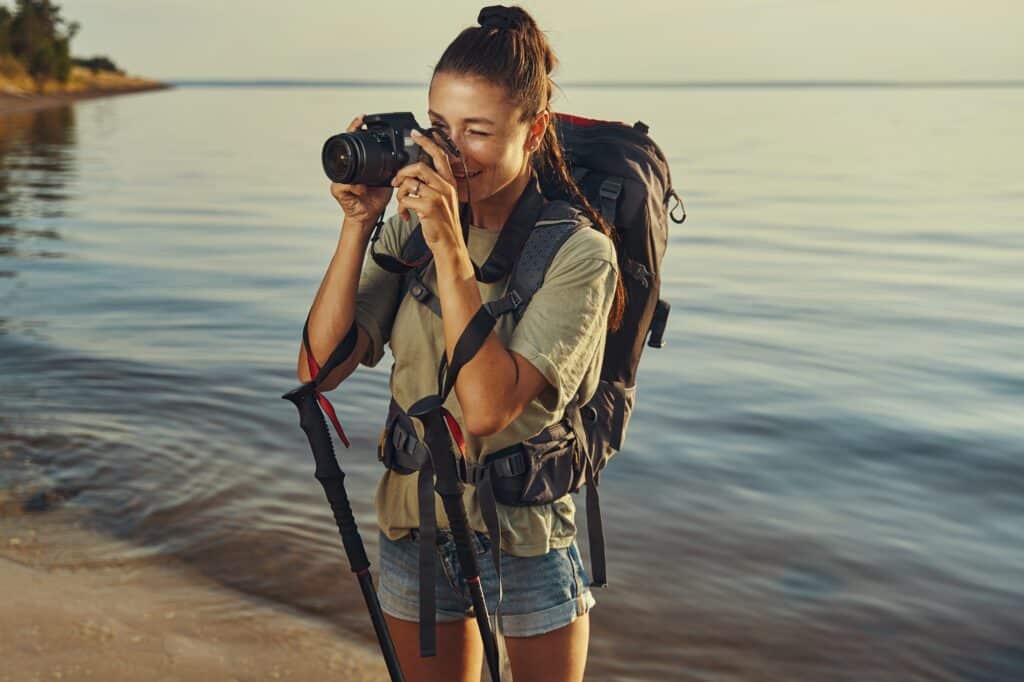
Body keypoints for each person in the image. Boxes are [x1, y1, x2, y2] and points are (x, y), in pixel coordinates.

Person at [296, 5, 624, 681]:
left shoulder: (579, 255)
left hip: (526, 539)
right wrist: (360, 224)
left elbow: (485, 410)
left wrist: (449, 242)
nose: (452, 152)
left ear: (533, 132)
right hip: (414, 522)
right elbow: (319, 371)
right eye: (441, 129)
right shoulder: (408, 229)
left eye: (478, 132)